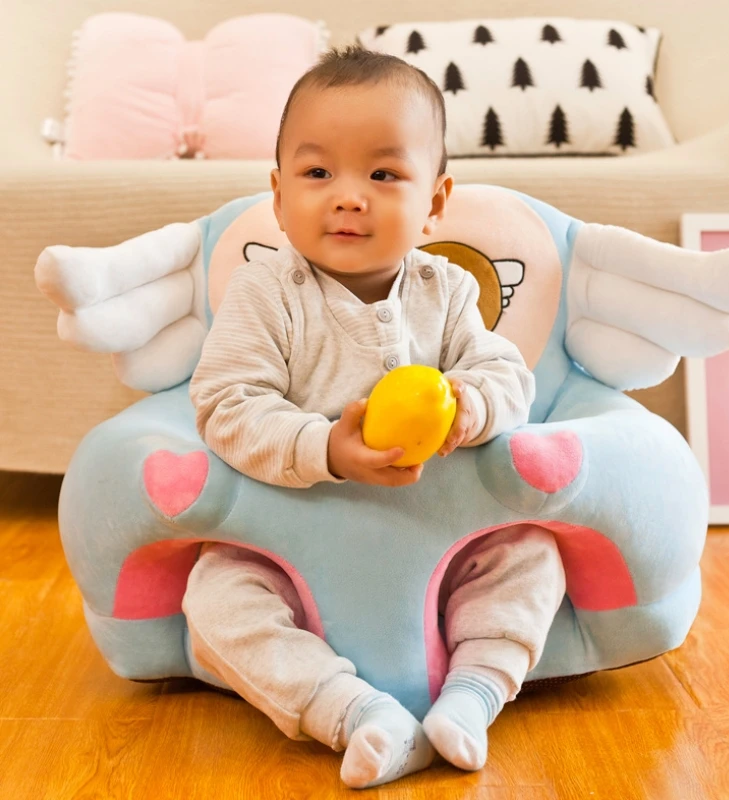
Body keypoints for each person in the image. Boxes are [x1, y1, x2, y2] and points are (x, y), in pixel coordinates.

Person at [184, 45, 565, 789]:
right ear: (278, 194)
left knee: (532, 553)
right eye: (318, 173)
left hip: (437, 530)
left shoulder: (448, 290)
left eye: (384, 174)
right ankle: (353, 712)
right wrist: (325, 444)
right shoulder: (268, 293)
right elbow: (225, 406)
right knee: (215, 593)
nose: (349, 195)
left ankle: (474, 693)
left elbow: (506, 376)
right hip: (297, 538)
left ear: (436, 201)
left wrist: (469, 408)